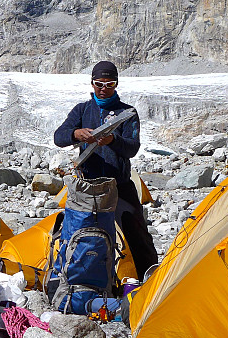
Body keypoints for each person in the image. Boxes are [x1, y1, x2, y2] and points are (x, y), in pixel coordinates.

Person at [54, 60, 159, 279]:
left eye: (109, 84)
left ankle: (149, 279)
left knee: (137, 235)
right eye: (99, 84)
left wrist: (112, 140)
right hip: (88, 186)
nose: (103, 89)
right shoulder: (81, 110)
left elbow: (132, 148)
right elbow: (59, 137)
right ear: (92, 84)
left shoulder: (127, 113)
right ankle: (83, 280)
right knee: (83, 234)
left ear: (116, 84)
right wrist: (76, 134)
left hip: (119, 185)